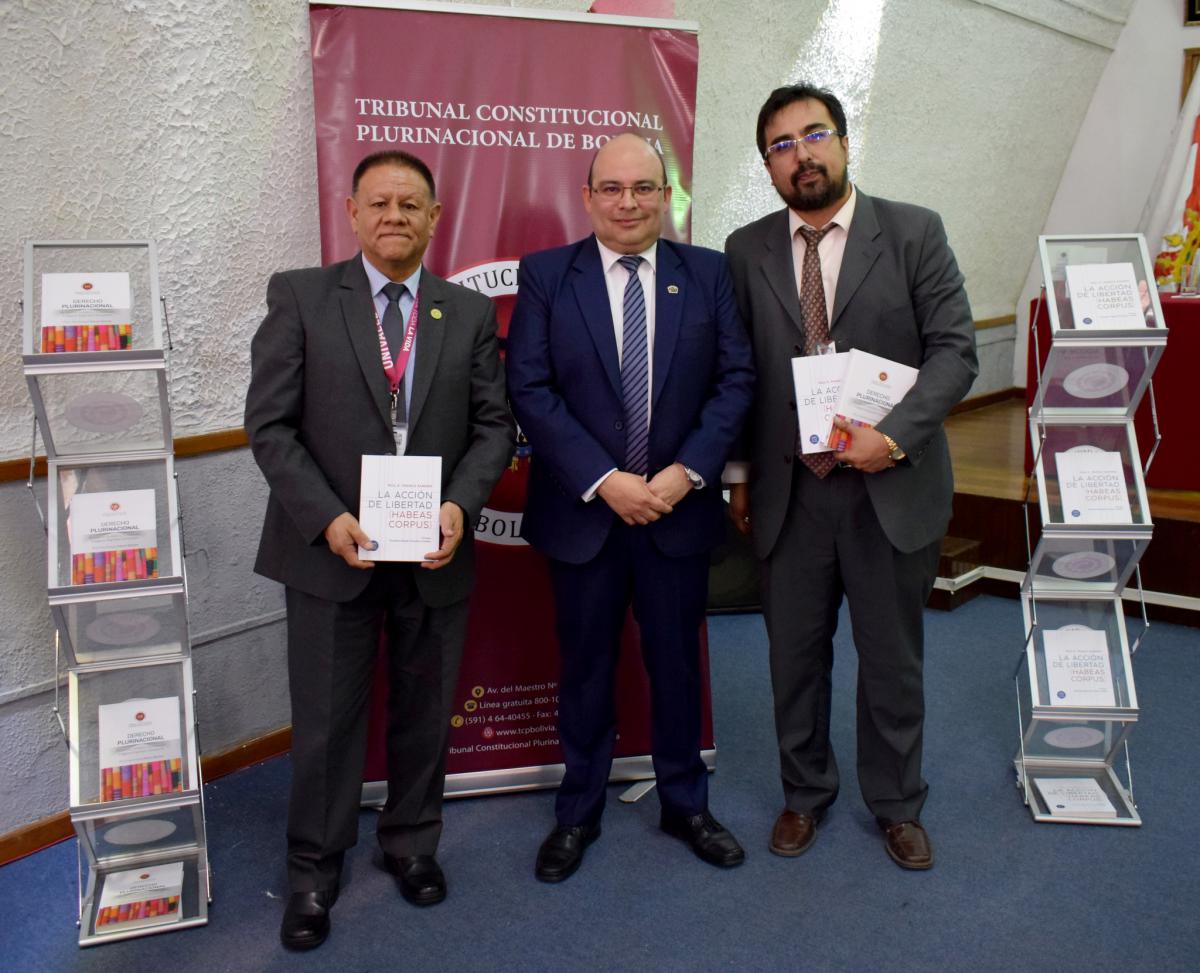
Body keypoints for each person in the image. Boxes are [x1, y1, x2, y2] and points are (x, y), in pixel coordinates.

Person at [245, 150, 514, 949]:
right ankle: (313, 870)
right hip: (334, 552)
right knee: (327, 722)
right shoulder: (299, 296)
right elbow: (271, 425)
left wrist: (462, 504)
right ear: (353, 212)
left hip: (433, 550)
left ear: (436, 219)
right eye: (380, 203)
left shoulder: (463, 313)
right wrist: (326, 516)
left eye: (412, 204)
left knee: (425, 711)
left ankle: (411, 844)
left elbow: (494, 426)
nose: (395, 216)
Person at [724, 84, 978, 870]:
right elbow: (738, 374)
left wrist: (893, 438)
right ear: (767, 164)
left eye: (814, 134)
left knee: (891, 660)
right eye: (781, 144)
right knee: (793, 657)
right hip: (790, 495)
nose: (801, 153)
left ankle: (897, 802)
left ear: (842, 140)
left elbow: (955, 352)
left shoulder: (913, 233)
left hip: (887, 490)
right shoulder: (746, 249)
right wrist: (736, 472)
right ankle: (805, 793)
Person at [506, 133, 754, 882]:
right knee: (586, 666)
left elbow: (737, 380)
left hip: (677, 510)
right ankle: (578, 809)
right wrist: (605, 478)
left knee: (676, 664)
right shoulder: (549, 274)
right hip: (587, 513)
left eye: (644, 188)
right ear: (587, 197)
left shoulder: (708, 274)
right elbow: (531, 388)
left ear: (667, 196)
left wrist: (686, 474)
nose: (628, 202)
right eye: (612, 188)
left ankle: (686, 801)